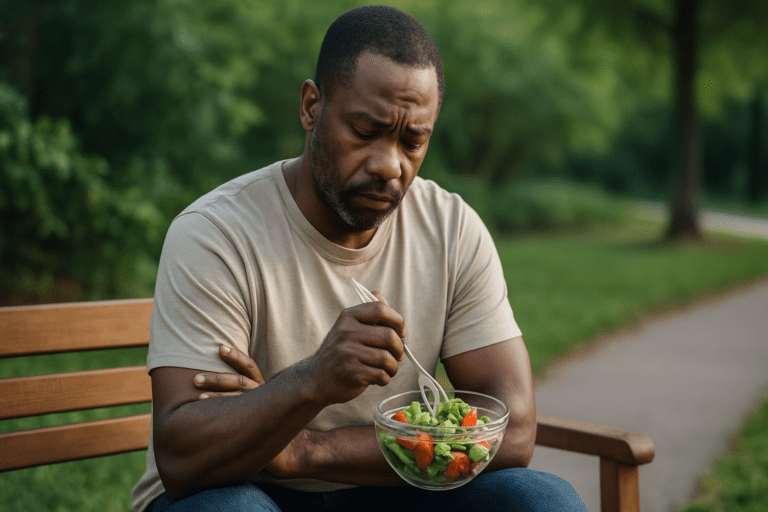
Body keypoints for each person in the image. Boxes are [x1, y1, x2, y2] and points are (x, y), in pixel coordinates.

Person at [131, 5, 587, 511]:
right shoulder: (217, 234)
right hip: (245, 490)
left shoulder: (452, 229)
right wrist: (313, 380)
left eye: (413, 140)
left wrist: (305, 451)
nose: (389, 164)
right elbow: (182, 457)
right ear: (311, 106)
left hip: (384, 488)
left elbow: (513, 429)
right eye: (365, 131)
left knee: (541, 500)